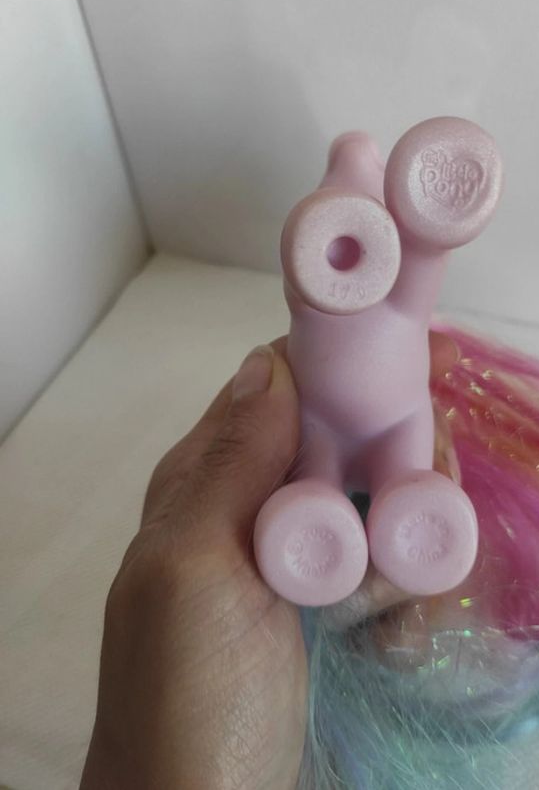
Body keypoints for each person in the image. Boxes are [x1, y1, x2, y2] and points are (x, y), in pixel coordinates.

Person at [80, 337, 458, 790]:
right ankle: (331, 507)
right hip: (325, 430)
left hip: (394, 423)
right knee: (327, 471)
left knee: (403, 470)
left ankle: (399, 503)